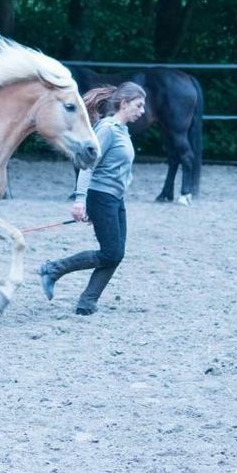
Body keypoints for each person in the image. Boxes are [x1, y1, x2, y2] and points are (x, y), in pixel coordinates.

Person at [38, 81, 147, 315]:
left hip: (115, 199)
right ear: (124, 103)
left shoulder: (122, 130)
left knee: (116, 253)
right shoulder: (107, 129)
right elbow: (88, 166)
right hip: (101, 195)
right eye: (138, 106)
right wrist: (81, 199)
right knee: (111, 253)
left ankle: (87, 302)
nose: (142, 111)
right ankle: (54, 269)